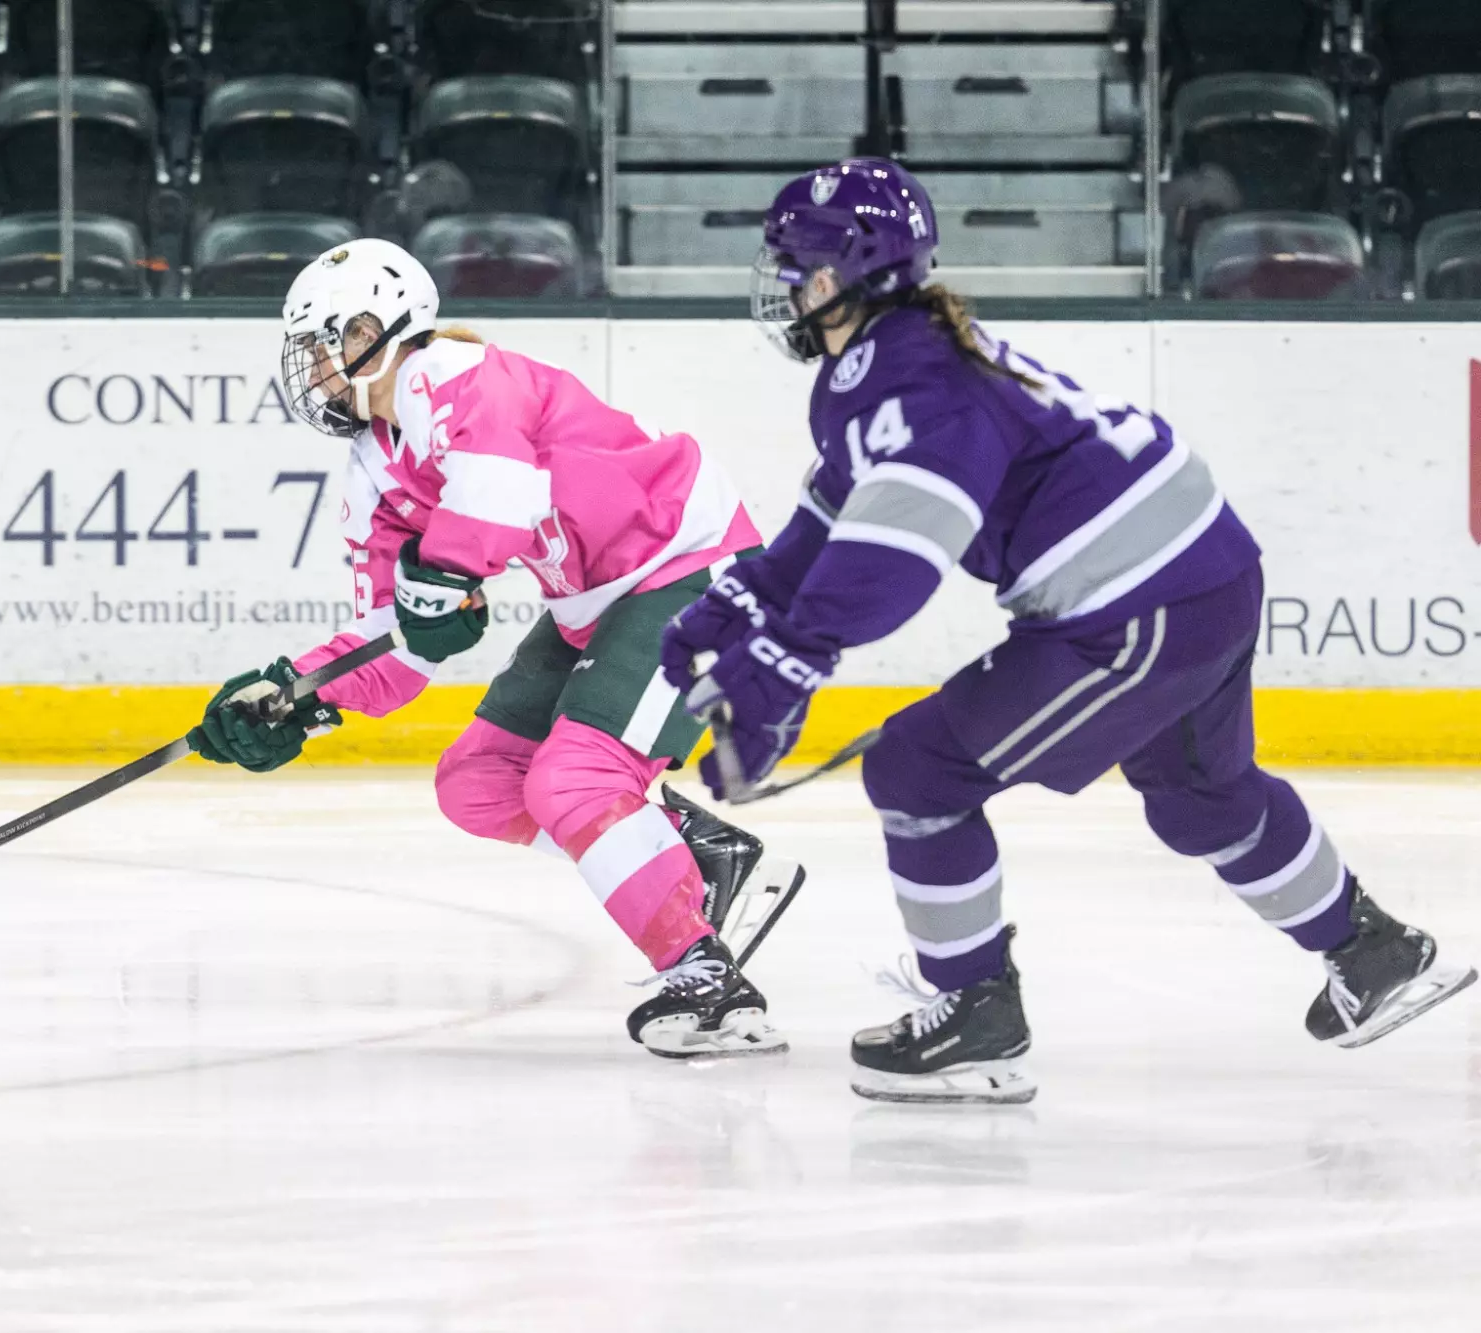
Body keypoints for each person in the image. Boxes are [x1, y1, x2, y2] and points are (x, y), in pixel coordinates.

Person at [662, 158, 1475, 1103]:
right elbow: (834, 518)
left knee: (920, 771)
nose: (785, 288)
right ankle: (1373, 951)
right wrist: (740, 604)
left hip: (1134, 607)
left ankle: (975, 1014)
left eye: (795, 266)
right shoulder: (903, 354)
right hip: (1200, 571)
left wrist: (792, 655)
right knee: (1200, 793)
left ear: (846, 272)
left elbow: (898, 550)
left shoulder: (909, 378)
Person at [188, 238, 802, 1058]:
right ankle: (702, 856)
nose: (315, 371)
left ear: (376, 329)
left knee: (574, 778)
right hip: (597, 603)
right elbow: (395, 646)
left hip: (696, 569)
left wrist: (439, 578)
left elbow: (499, 495)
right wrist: (297, 695)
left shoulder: (455, 375)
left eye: (323, 345)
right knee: (478, 783)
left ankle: (707, 980)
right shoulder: (372, 471)